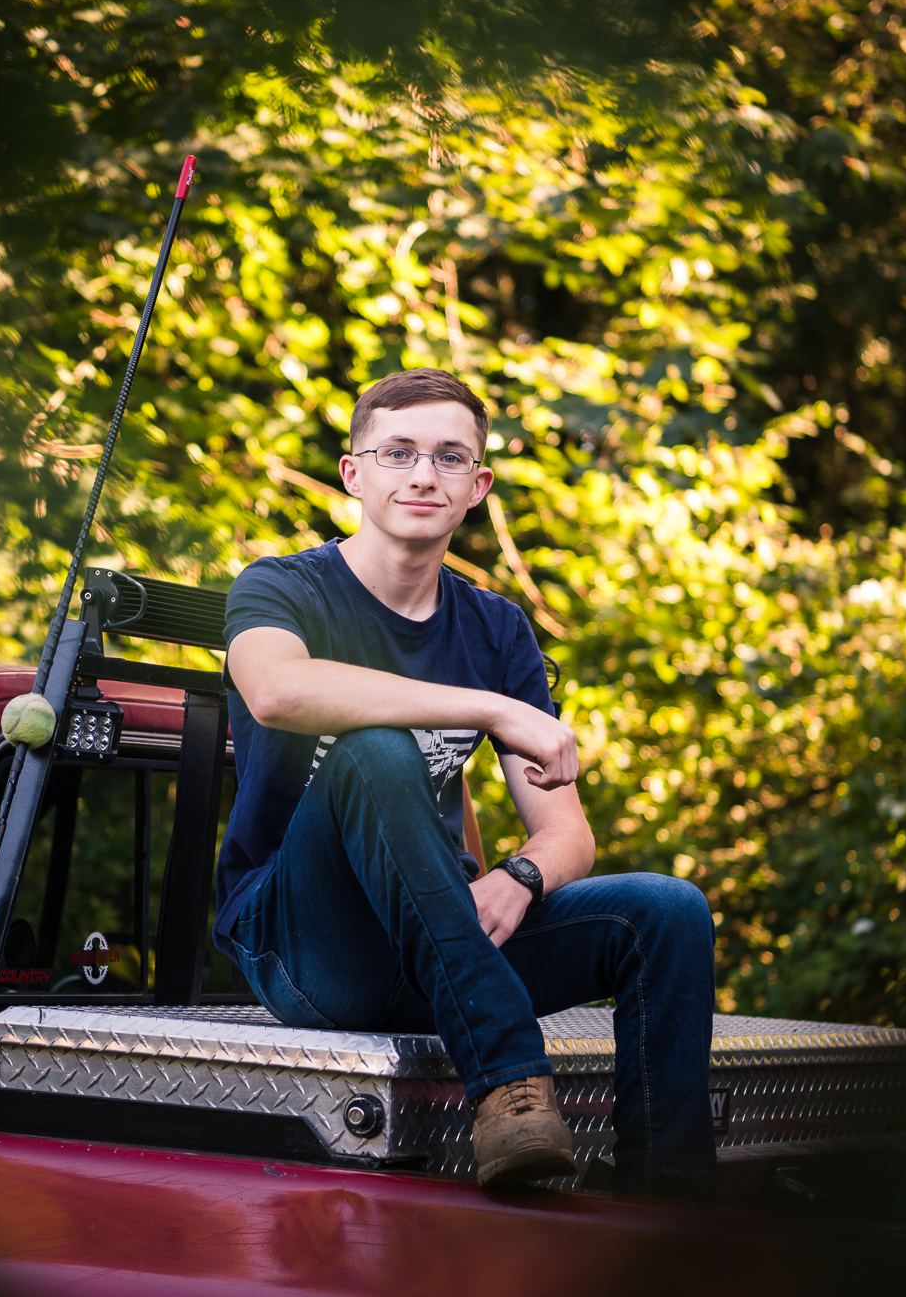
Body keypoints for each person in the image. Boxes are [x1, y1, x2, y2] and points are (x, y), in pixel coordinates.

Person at [214, 367, 716, 1194]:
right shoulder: (282, 587)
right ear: (353, 473)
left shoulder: (495, 628)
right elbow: (275, 691)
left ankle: (669, 1198)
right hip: (308, 943)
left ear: (477, 486)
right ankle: (509, 1085)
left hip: (443, 941)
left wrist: (521, 876)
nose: (423, 474)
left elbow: (568, 833)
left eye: (450, 457)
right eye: (398, 452)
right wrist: (490, 707)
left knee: (665, 911)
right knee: (377, 752)